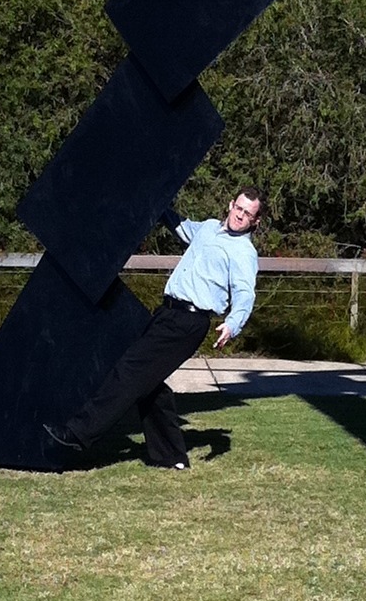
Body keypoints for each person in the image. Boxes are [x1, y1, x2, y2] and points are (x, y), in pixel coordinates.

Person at [44, 189, 263, 470]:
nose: (240, 216)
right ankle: (171, 457)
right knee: (149, 386)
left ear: (254, 222)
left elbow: (245, 294)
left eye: (247, 214)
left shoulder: (244, 252)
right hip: (166, 313)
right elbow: (182, 227)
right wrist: (158, 206)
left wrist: (233, 324)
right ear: (231, 204)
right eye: (239, 208)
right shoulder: (208, 228)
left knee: (130, 370)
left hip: (189, 323)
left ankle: (78, 433)